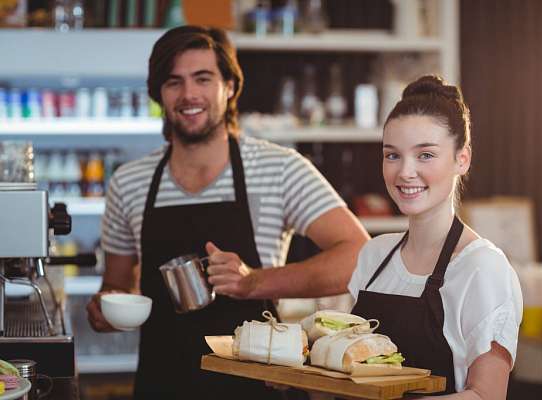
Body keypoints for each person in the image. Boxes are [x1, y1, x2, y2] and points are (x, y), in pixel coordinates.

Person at [86, 25, 369, 399]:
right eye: (174, 82)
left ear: (230, 87)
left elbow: (358, 255)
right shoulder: (130, 182)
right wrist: (105, 308)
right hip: (162, 381)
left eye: (203, 78)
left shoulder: (278, 168)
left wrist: (254, 281)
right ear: (159, 93)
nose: (189, 94)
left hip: (257, 384)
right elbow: (117, 284)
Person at [348, 75, 523, 398]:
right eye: (392, 155)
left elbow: (487, 395)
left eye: (425, 155)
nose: (405, 172)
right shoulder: (374, 256)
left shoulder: (482, 268)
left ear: (462, 158)